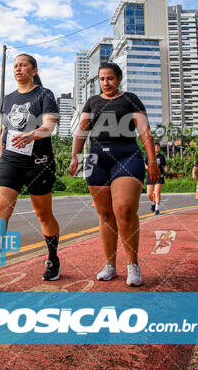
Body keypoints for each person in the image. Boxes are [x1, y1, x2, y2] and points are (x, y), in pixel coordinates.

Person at [0, 53, 60, 292]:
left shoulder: (44, 95)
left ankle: (53, 258)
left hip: (39, 162)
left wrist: (34, 133)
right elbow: (4, 131)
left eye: (23, 65)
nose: (18, 69)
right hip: (10, 161)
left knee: (43, 215)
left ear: (34, 70)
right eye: (15, 65)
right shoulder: (8, 99)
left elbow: (49, 125)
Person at [70, 62, 159, 287]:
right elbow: (82, 131)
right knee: (105, 214)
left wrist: (152, 161)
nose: (106, 83)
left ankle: (133, 265)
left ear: (119, 79)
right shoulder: (92, 102)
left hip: (127, 155)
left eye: (110, 78)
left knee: (124, 209)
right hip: (95, 158)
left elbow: (145, 132)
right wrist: (75, 156)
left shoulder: (130, 99)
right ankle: (110, 265)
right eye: (102, 79)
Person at [145, 143, 167, 215]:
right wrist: (148, 168)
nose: (156, 147)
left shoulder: (161, 157)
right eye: (155, 146)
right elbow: (144, 163)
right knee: (149, 194)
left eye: (158, 146)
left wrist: (166, 170)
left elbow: (165, 165)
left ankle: (157, 209)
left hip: (159, 176)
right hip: (150, 176)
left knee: (157, 192)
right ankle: (152, 202)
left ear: (159, 148)